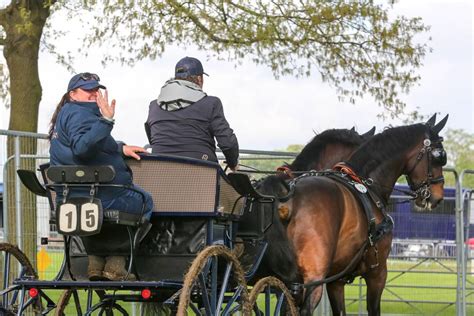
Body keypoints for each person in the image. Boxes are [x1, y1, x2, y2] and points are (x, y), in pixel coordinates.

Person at [48, 72, 154, 281]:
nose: (94, 94)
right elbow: (82, 148)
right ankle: (116, 262)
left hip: (70, 197)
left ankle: (95, 261)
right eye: (88, 90)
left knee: (109, 208)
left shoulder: (67, 114)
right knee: (144, 201)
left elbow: (91, 144)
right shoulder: (83, 114)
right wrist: (106, 120)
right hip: (99, 195)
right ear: (73, 94)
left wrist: (120, 149)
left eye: (96, 89)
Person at [145, 56, 239, 171]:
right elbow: (228, 143)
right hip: (201, 175)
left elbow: (153, 140)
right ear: (199, 79)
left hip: (160, 174)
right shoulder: (211, 103)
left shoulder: (154, 106)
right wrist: (233, 163)